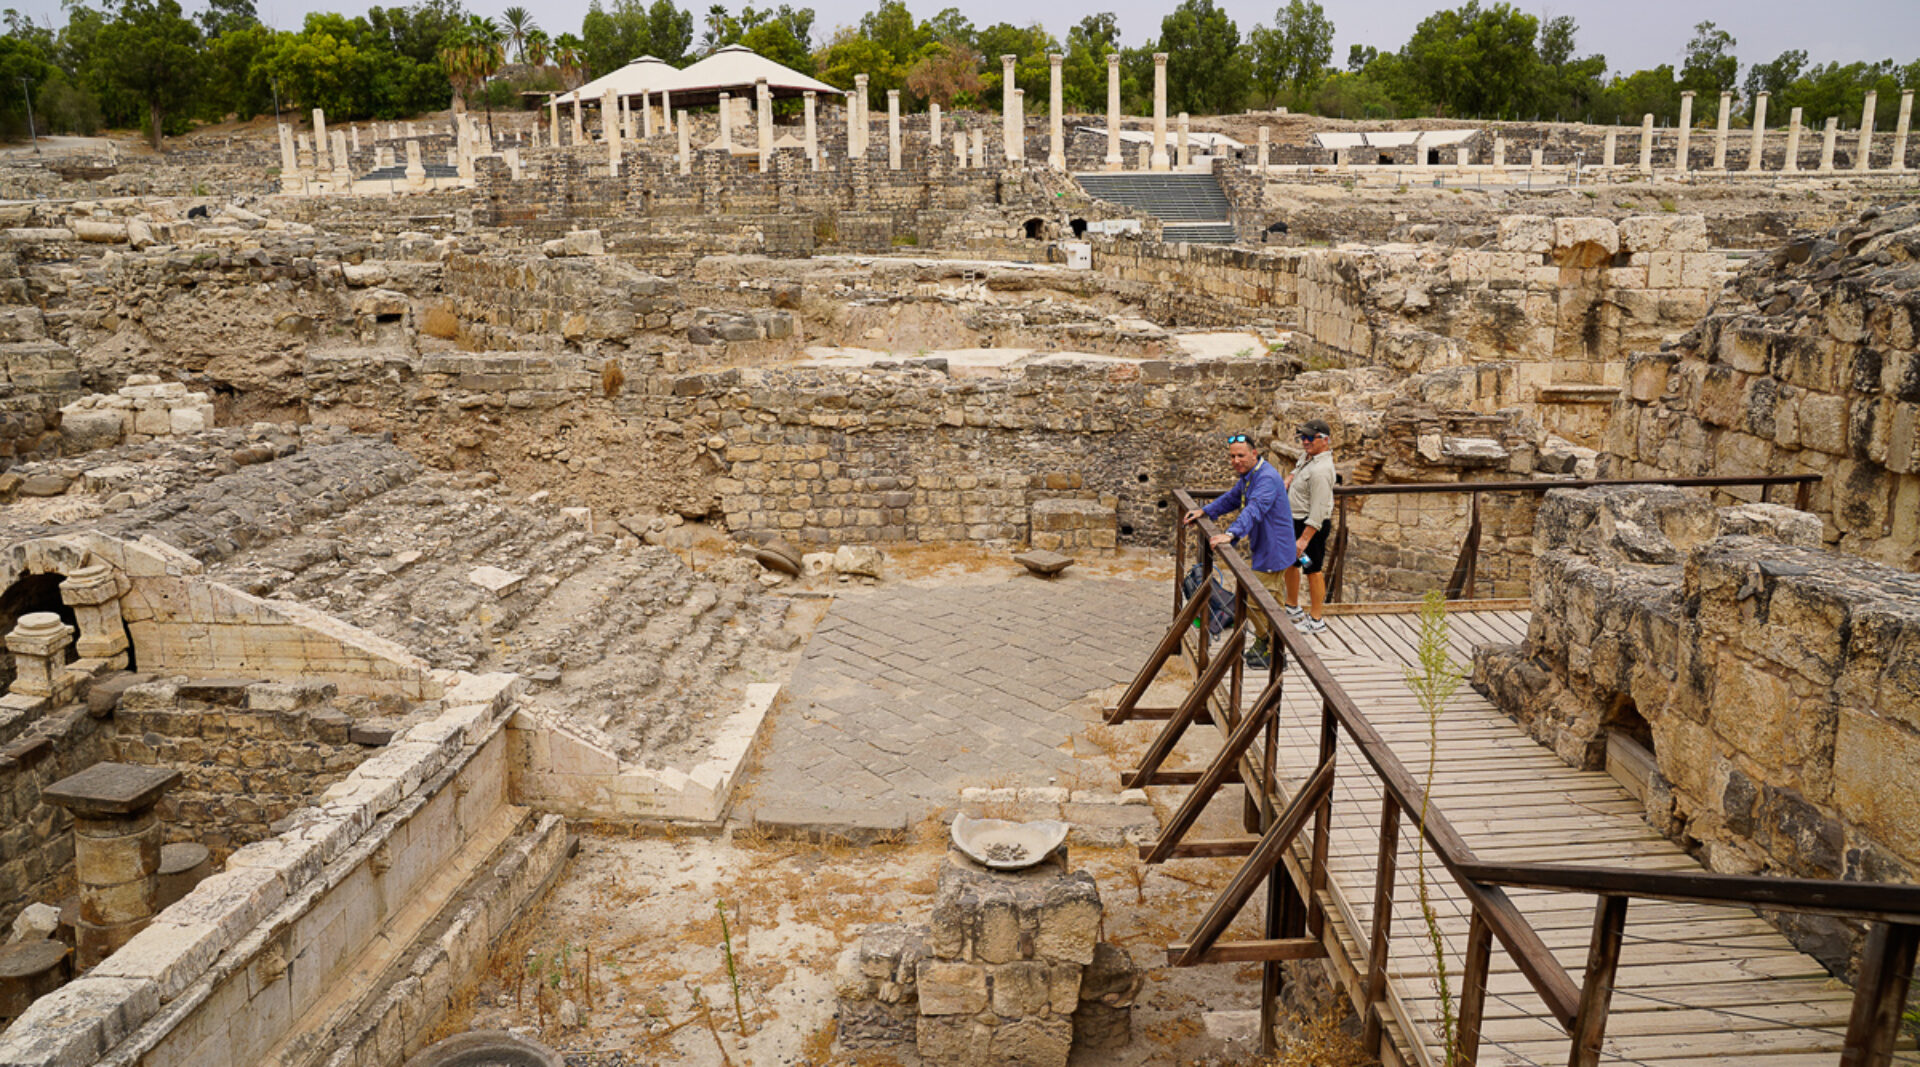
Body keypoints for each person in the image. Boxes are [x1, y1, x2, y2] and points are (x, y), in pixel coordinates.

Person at [1182, 432, 1296, 668]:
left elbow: (1254, 509)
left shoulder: (1265, 479)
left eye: (1241, 455)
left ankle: (1271, 645)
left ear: (1254, 454)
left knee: (1255, 600)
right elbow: (1232, 498)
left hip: (1274, 550)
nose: (1236, 460)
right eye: (1232, 456)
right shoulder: (1250, 476)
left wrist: (1231, 534)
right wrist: (1205, 511)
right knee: (1271, 600)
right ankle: (1274, 648)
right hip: (1268, 547)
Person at [1283, 418, 1336, 635]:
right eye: (1302, 437)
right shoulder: (1309, 458)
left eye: (1309, 438)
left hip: (1309, 528)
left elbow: (1318, 509)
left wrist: (1303, 539)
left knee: (1312, 569)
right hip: (1296, 523)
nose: (1304, 442)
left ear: (1324, 440)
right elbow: (1299, 466)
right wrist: (1290, 477)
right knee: (1292, 563)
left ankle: (1316, 619)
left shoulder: (1321, 470)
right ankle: (1292, 607)